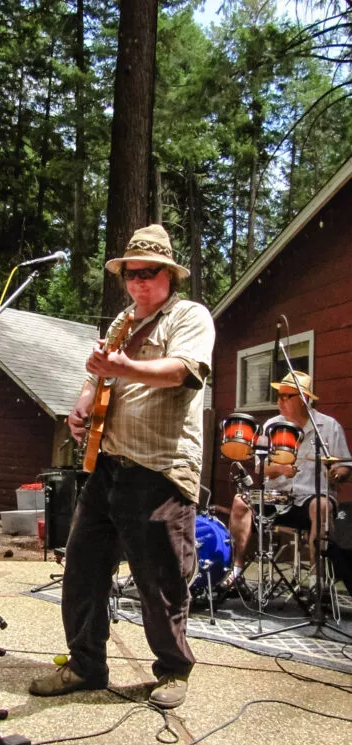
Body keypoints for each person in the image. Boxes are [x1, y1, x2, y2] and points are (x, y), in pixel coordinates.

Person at [29, 224, 215, 709]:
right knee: (83, 569)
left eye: (148, 273)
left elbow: (183, 371)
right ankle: (85, 665)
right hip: (107, 464)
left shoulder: (190, 316)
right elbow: (97, 378)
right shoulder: (121, 323)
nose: (137, 283)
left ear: (169, 275)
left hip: (160, 467)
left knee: (160, 579)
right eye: (129, 274)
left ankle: (173, 671)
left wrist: (121, 369)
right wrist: (82, 406)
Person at [222, 371, 351, 597]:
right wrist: (280, 469)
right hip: (278, 497)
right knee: (240, 501)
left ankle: (316, 579)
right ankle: (236, 570)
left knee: (320, 506)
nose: (279, 401)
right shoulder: (272, 425)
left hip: (311, 497)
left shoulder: (328, 427)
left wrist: (337, 473)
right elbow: (260, 467)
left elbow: (345, 465)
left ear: (303, 399)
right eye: (278, 395)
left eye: (286, 396)